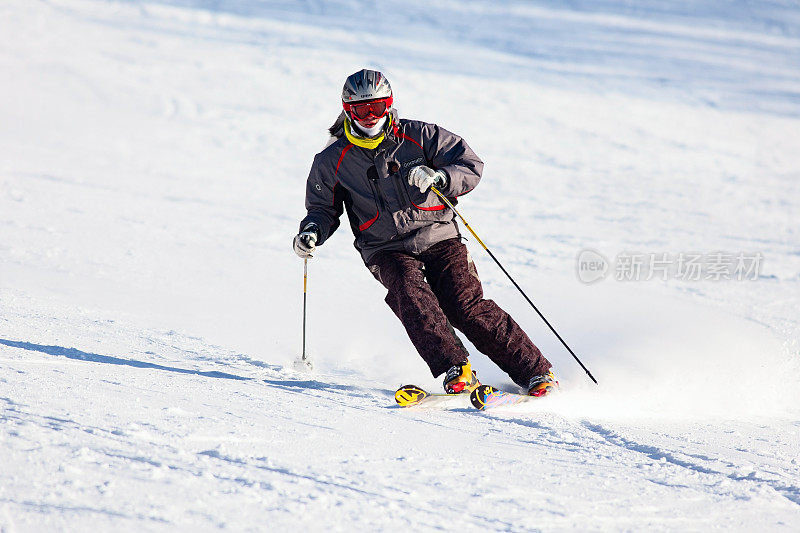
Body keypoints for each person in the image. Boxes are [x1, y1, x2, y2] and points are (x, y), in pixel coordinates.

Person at [293, 69, 557, 396]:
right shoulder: (332, 160)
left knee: (463, 304)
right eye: (362, 110)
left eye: (378, 107)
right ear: (348, 110)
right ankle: (455, 368)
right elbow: (322, 208)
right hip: (384, 246)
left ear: (390, 105)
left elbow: (469, 164)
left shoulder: (421, 136)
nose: (371, 117)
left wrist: (441, 177)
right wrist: (311, 232)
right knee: (408, 290)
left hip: (438, 234)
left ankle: (535, 372)